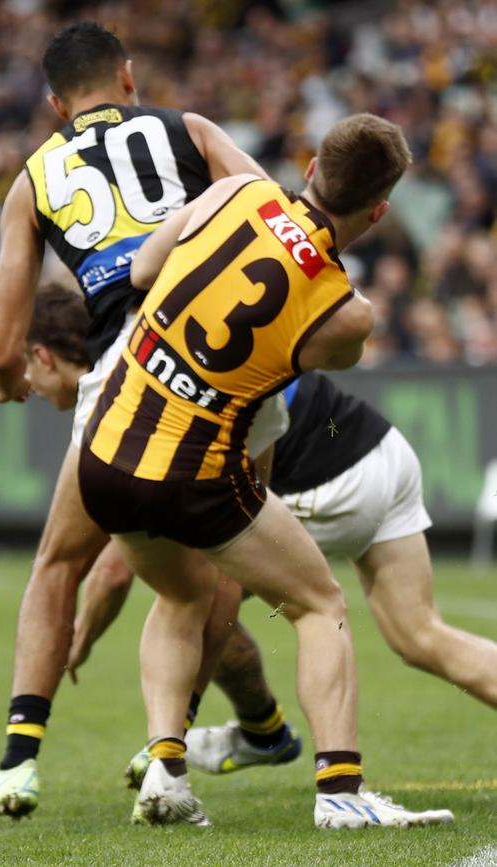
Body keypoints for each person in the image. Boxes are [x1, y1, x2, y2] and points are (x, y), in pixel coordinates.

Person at [0, 21, 286, 823]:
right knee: (224, 559)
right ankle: (171, 743)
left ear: (56, 103)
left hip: (129, 364)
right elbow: (272, 209)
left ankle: (19, 761)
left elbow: (0, 340)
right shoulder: (189, 128)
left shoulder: (32, 178)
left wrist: (3, 382)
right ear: (128, 78)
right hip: (233, 356)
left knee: (59, 562)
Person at [76, 115, 453, 828]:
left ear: (311, 167)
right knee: (319, 603)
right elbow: (300, 361)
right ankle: (341, 792)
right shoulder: (349, 313)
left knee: (182, 596)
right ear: (379, 212)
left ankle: (165, 765)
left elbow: (145, 270)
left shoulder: (233, 195)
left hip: (104, 450)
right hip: (195, 471)